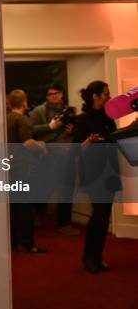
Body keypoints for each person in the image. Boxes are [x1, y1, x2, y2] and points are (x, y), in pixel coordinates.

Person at [73, 81, 120, 274]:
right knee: (99, 215)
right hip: (93, 172)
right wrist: (89, 141)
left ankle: (98, 257)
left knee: (104, 217)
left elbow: (115, 140)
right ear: (95, 96)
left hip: (110, 170)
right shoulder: (82, 120)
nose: (109, 97)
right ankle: (90, 257)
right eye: (106, 94)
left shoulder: (109, 118)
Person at [29, 82, 80, 236]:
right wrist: (49, 127)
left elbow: (78, 130)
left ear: (62, 94)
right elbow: (30, 129)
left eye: (57, 93)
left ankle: (64, 223)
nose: (54, 96)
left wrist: (73, 130)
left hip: (67, 153)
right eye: (51, 94)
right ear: (46, 96)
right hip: (47, 153)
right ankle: (37, 216)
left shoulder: (70, 111)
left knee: (66, 189)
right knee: (44, 187)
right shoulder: (39, 111)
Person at [7, 89, 47, 254]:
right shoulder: (22, 119)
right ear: (24, 102)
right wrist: (41, 146)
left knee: (13, 207)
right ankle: (27, 243)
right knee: (26, 207)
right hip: (23, 167)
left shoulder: (6, 119)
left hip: (9, 166)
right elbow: (26, 142)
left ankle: (13, 241)